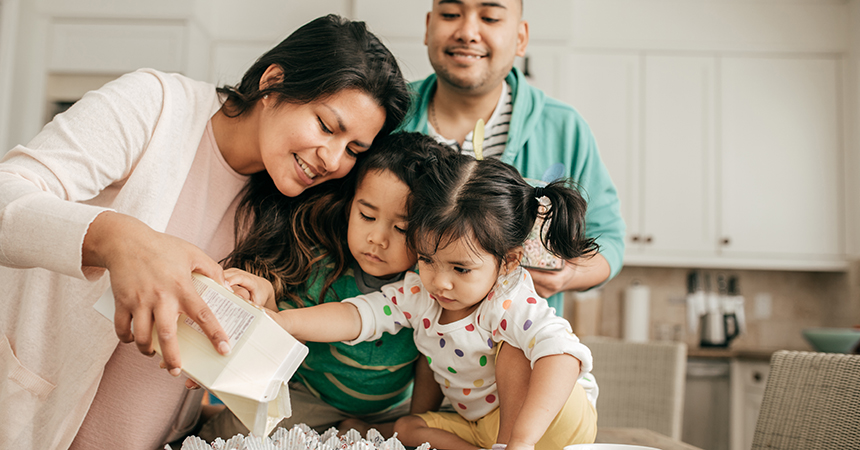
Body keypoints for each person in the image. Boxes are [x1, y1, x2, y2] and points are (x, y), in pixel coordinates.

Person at [0, 14, 410, 450]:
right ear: (273, 83)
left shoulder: (301, 211)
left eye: (354, 150)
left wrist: (255, 323)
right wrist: (118, 239)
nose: (332, 159)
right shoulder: (156, 105)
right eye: (327, 126)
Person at [239, 155, 600, 449]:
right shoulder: (420, 294)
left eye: (461, 268)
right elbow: (357, 315)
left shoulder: (509, 297)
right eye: (427, 259)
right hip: (479, 426)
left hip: (548, 419)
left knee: (515, 348)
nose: (440, 282)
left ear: (507, 261)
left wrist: (521, 439)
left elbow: (563, 355)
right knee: (407, 429)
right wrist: (284, 322)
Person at [196, 132, 456, 440]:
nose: (377, 238)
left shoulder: (431, 286)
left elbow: (432, 361)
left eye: (401, 228)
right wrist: (263, 299)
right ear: (350, 207)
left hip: (393, 409)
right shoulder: (323, 264)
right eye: (367, 215)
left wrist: (417, 420)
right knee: (234, 435)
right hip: (311, 397)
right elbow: (282, 327)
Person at [400, 0, 626, 314]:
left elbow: (610, 240)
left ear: (521, 37)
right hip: (398, 349)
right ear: (428, 26)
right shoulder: (389, 114)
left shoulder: (564, 128)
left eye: (490, 17)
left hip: (517, 350)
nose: (467, 32)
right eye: (451, 14)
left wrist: (569, 274)